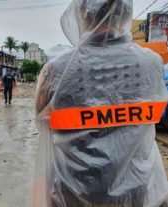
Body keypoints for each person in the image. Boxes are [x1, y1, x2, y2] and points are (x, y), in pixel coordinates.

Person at [33, 0, 168, 207]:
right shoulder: (151, 63)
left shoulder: (57, 69)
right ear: (125, 14)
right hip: (136, 188)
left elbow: (42, 121)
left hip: (74, 187)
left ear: (81, 14)